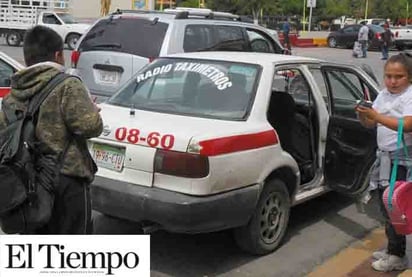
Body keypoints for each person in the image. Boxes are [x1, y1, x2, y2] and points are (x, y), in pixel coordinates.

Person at [0, 26, 103, 234]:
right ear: (58, 55)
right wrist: (92, 110)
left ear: (27, 56)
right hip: (66, 182)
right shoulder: (67, 85)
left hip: (25, 184)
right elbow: (91, 126)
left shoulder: (13, 93)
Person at [356, 53, 412, 272]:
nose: (392, 81)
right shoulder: (382, 95)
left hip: (402, 161)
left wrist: (376, 116)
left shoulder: (409, 96)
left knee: (394, 207)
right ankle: (393, 249)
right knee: (385, 205)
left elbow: (407, 125)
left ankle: (398, 255)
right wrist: (364, 115)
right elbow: (371, 125)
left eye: (399, 76)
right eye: (388, 76)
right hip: (384, 158)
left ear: (409, 77)